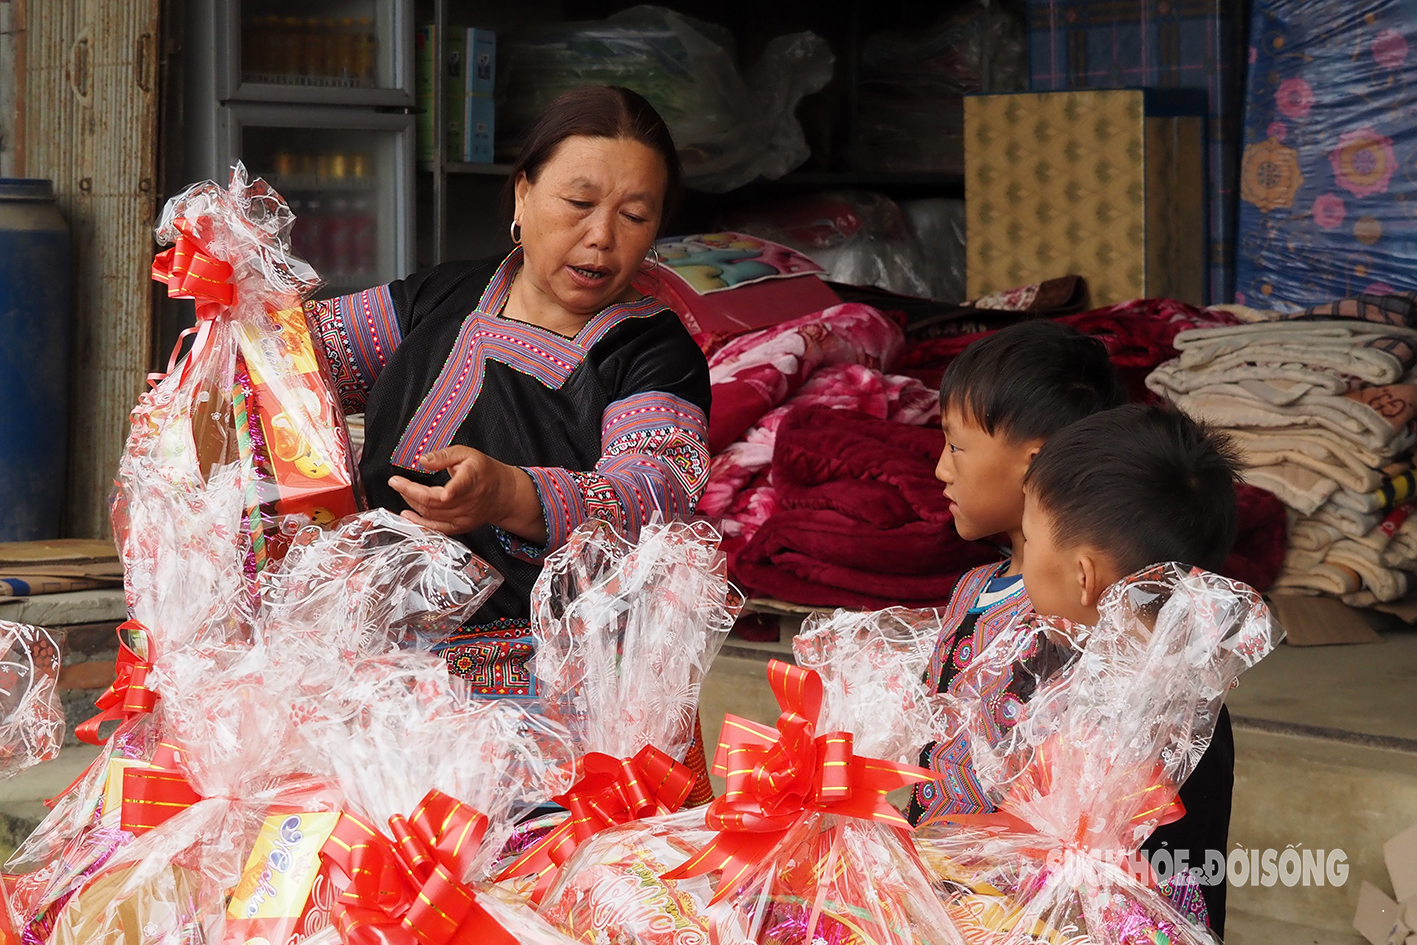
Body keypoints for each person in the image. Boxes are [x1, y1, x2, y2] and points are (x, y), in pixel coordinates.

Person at [302, 86, 713, 795]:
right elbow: (302, 362)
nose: (601, 236)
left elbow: (652, 493)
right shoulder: (447, 294)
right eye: (578, 203)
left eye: (634, 215)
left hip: (544, 701)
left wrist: (507, 493)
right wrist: (225, 361)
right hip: (369, 663)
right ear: (522, 194)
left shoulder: (653, 352)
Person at [1016, 403, 1243, 932]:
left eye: (1028, 541)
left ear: (1083, 576)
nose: (1021, 563)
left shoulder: (1129, 725)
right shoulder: (1194, 701)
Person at [907, 319, 1125, 825]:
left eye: (956, 446)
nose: (942, 468)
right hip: (924, 874)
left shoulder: (1079, 612)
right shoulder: (971, 588)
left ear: (1037, 465)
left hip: (999, 891)